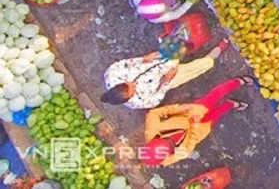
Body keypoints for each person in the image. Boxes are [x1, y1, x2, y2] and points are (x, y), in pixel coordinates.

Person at [139, 77, 250, 167]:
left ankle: (238, 81)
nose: (171, 140)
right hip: (198, 130)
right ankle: (230, 104)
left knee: (214, 95)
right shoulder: (173, 157)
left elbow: (154, 113)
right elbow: (190, 145)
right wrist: (195, 126)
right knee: (215, 115)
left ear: (157, 138)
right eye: (171, 145)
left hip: (189, 113)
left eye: (167, 140)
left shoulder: (151, 129)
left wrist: (177, 108)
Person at [103, 38, 231, 110]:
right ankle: (215, 52)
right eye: (133, 90)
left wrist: (143, 59)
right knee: (199, 67)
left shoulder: (112, 74)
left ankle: (193, 42)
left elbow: (124, 63)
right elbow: (156, 99)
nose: (133, 85)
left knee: (176, 44)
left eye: (129, 84)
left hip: (154, 61)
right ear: (129, 98)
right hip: (164, 78)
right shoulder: (138, 102)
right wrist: (166, 81)